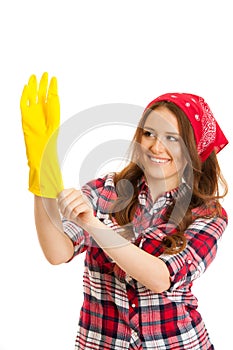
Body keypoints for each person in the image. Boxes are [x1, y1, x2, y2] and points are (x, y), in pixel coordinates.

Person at [20, 73, 229, 350]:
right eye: (149, 133)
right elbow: (57, 252)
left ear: (193, 148)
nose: (156, 146)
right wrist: (42, 178)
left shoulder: (207, 214)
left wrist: (94, 225)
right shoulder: (105, 190)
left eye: (172, 138)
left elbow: (160, 278)